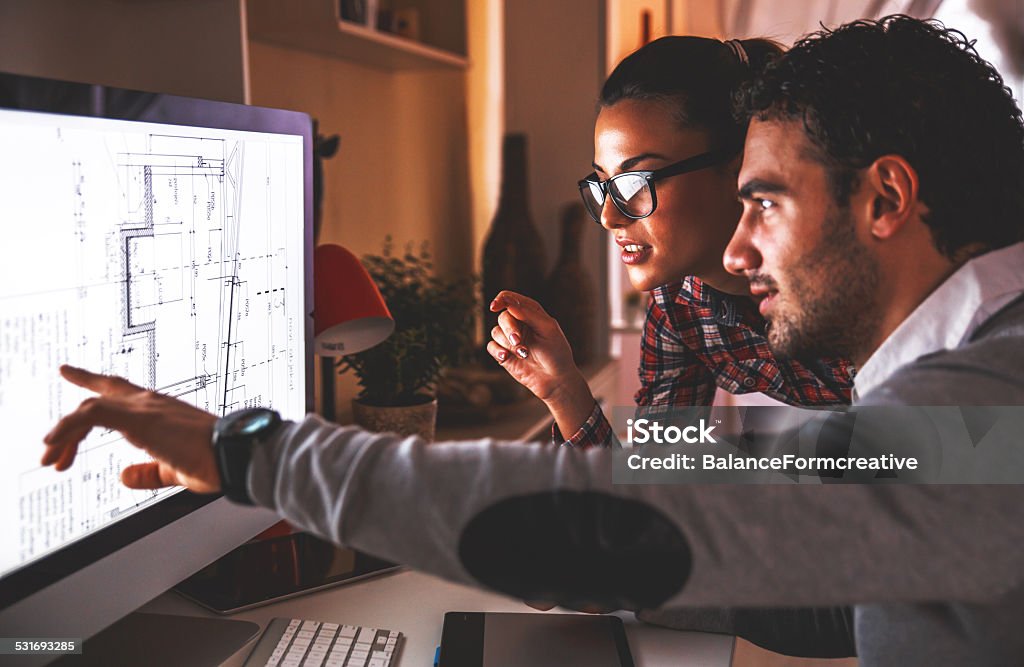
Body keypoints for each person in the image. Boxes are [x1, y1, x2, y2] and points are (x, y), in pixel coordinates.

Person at [41, 16, 1024, 665]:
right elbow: (751, 479)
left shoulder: (983, 427)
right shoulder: (962, 407)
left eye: (762, 200)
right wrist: (586, 437)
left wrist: (250, 450)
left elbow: (645, 510)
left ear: (885, 197)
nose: (733, 241)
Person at [486, 36, 854, 451]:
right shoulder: (679, 306)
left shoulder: (845, 270)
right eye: (604, 185)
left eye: (635, 182)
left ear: (741, 171)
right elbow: (656, 478)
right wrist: (563, 390)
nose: (609, 216)